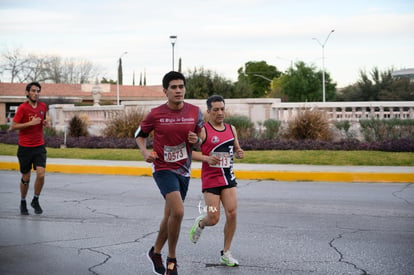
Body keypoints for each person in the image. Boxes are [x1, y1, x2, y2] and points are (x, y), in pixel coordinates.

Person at [135, 71, 203, 275]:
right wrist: (145, 152)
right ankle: (171, 259)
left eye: (181, 86)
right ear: (165, 91)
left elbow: (199, 140)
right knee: (179, 212)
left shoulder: (195, 112)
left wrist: (196, 140)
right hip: (163, 168)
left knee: (170, 215)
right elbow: (140, 135)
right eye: (173, 87)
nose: (178, 90)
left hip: (183, 169)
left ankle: (155, 252)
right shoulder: (156, 114)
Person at [189, 95, 244, 267]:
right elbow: (189, 153)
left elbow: (235, 147)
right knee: (213, 218)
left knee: (232, 213)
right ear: (209, 112)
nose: (220, 113)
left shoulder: (231, 129)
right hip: (211, 181)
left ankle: (226, 253)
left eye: (222, 109)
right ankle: (201, 222)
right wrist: (206, 158)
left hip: (228, 178)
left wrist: (239, 152)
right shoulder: (203, 131)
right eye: (216, 110)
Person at [10, 81, 49, 215]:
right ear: (27, 93)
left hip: (39, 146)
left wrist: (44, 123)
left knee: (41, 174)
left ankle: (35, 199)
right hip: (25, 147)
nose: (36, 93)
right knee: (26, 177)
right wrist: (30, 123)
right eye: (33, 91)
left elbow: (42, 120)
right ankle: (22, 201)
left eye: (38, 91)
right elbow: (13, 126)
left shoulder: (43, 106)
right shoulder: (22, 108)